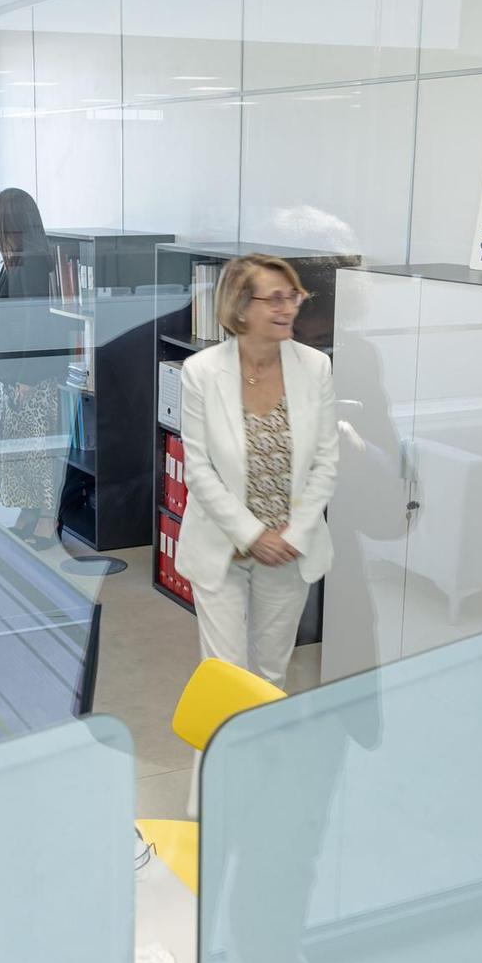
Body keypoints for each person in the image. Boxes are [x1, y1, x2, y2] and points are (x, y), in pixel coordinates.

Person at [176, 254, 338, 687]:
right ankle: (215, 757)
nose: (288, 308)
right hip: (221, 546)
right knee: (226, 678)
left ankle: (262, 755)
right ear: (241, 306)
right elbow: (199, 470)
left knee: (270, 676)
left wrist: (293, 534)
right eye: (276, 299)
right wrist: (253, 536)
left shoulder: (315, 367)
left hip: (289, 548)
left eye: (294, 296)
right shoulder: (201, 373)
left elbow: (325, 460)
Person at [0, 187, 71, 550]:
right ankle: (28, 509)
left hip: (32, 374)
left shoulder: (34, 260)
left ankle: (46, 517)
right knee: (21, 451)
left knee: (39, 452)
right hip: (14, 371)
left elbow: (35, 322)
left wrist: (26, 376)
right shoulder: (16, 259)